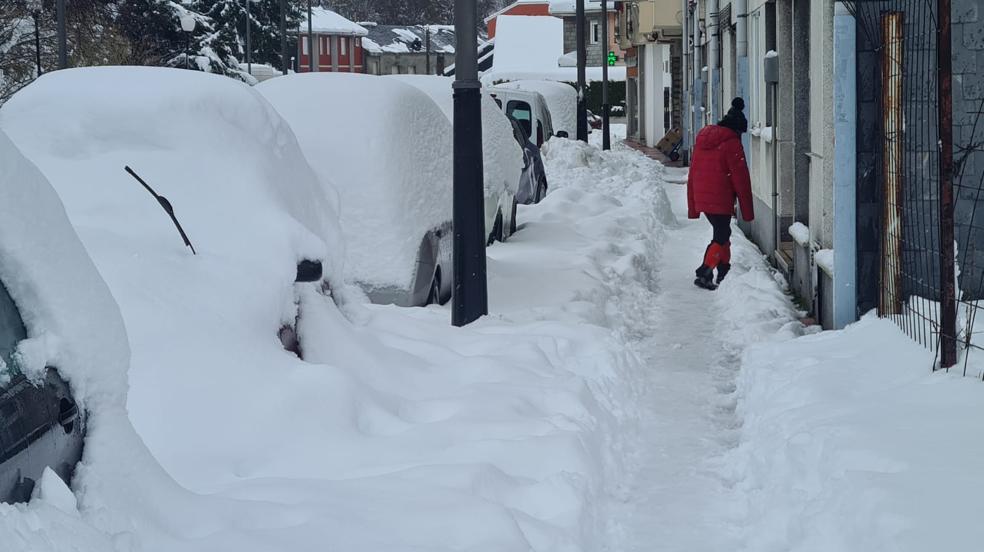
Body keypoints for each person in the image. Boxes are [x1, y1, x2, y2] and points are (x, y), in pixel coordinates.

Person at [686, 97, 754, 290]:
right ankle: (705, 271)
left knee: (723, 232)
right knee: (722, 233)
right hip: (720, 197)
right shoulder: (732, 143)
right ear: (737, 129)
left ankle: (724, 270)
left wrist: (693, 204)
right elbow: (741, 179)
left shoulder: (703, 139)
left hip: (702, 196)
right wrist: (748, 212)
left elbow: (693, 173)